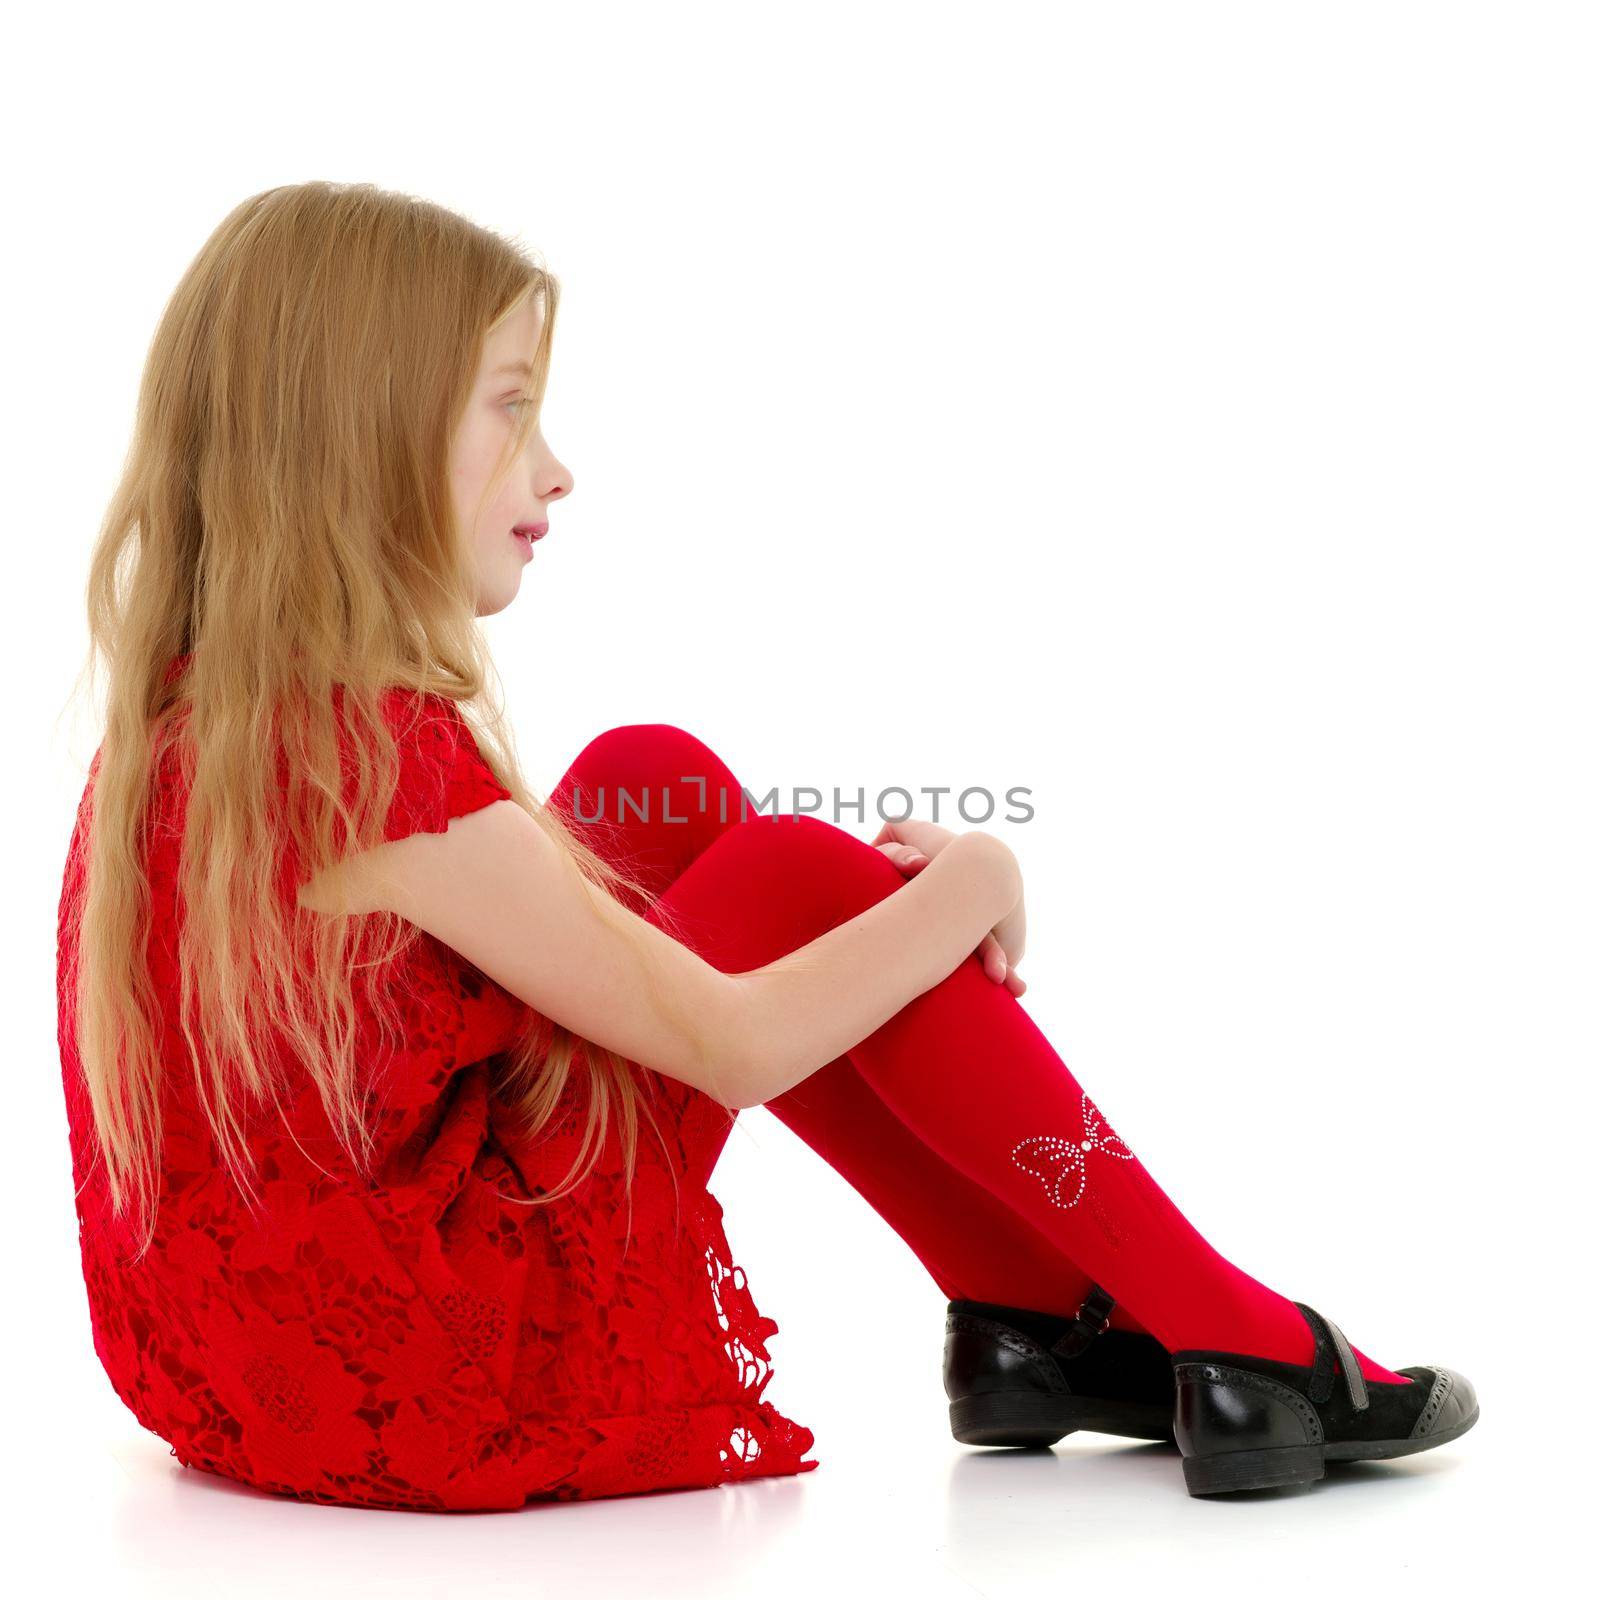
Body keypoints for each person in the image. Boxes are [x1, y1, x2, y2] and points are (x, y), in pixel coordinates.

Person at [56, 180, 1476, 1513]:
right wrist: (974, 882)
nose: (559, 469)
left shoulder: (211, 725)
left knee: (651, 788)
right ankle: (1237, 1341)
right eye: (511, 411)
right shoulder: (365, 758)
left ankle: (1022, 1318)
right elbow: (735, 1045)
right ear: (359, 436)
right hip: (445, 1372)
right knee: (794, 875)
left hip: (236, 1376)